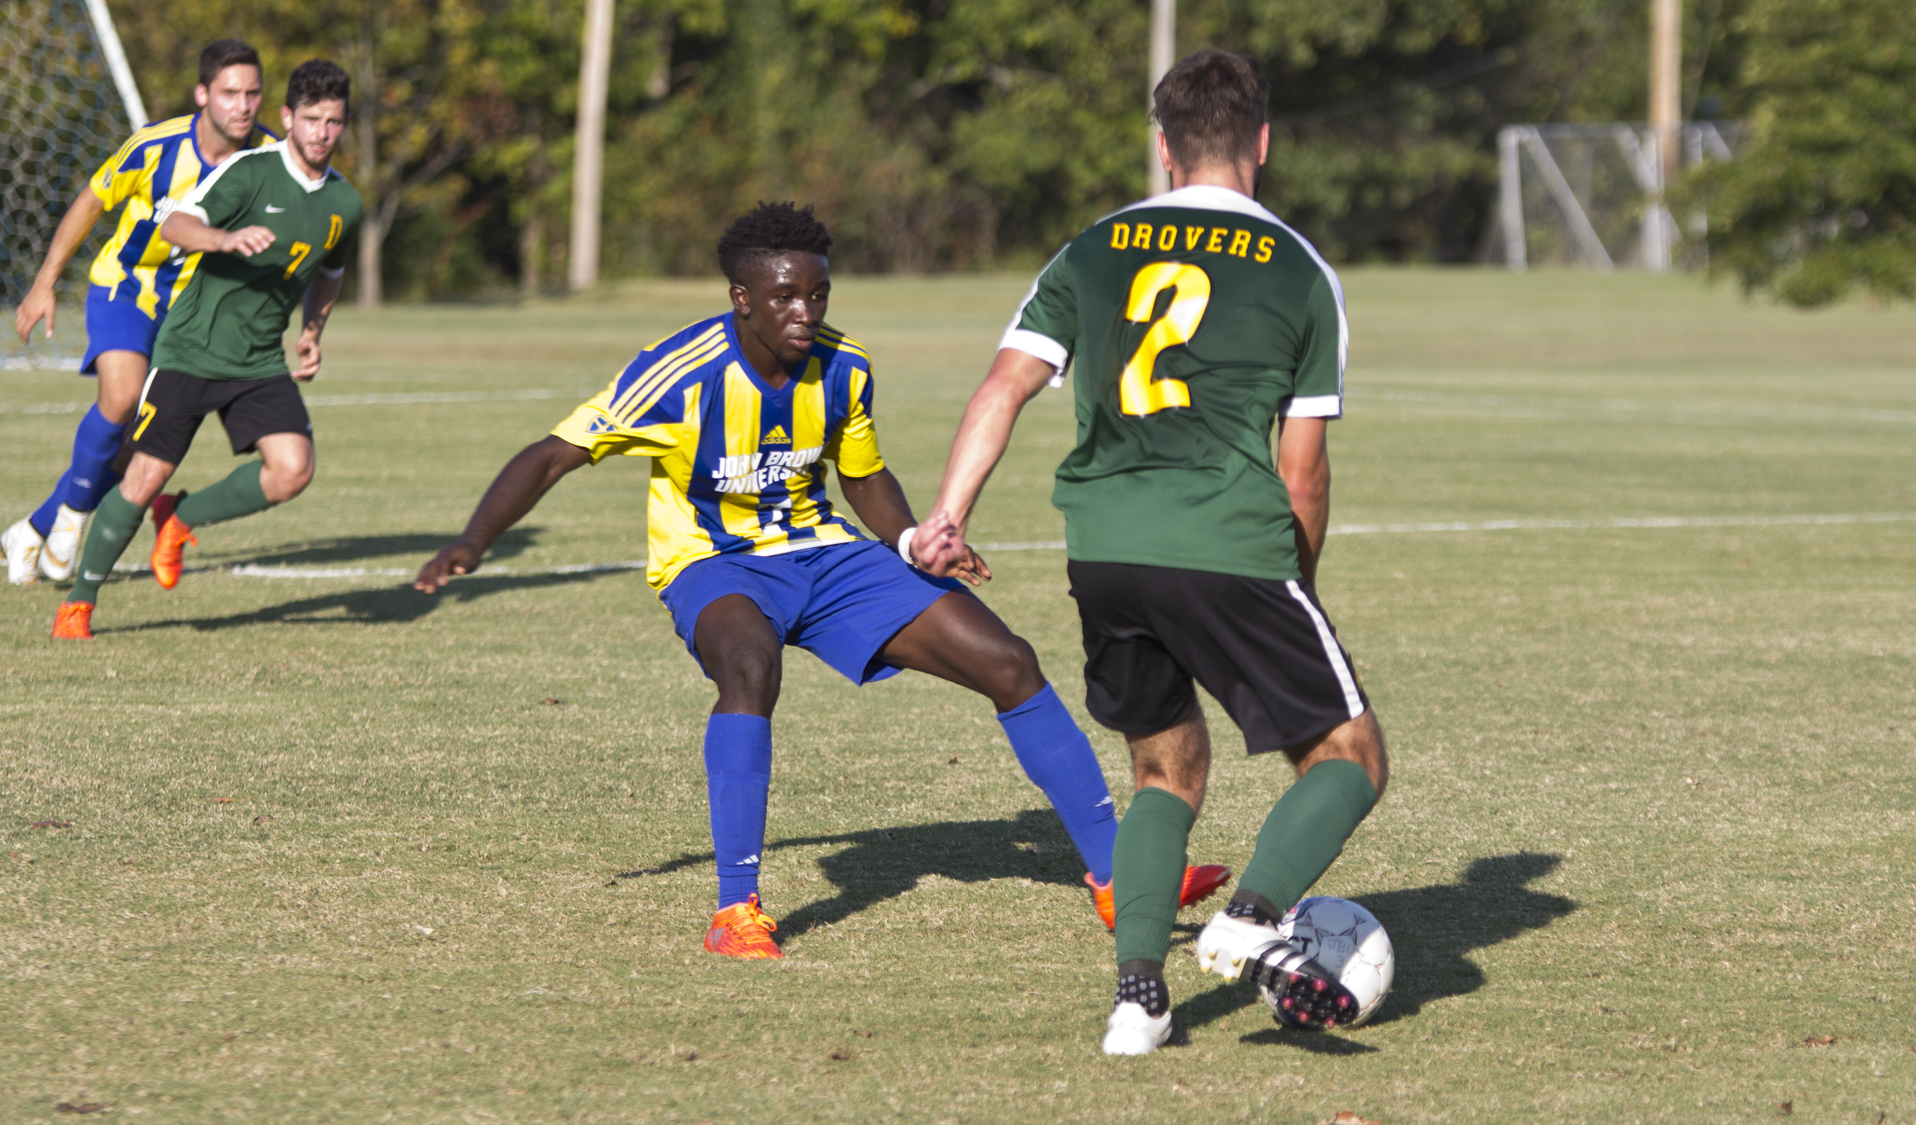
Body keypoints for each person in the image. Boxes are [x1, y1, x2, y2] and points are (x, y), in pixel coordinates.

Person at [414, 202, 1228, 960]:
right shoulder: (679, 372)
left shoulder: (844, 366)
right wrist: (473, 540)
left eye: (818, 292)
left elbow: (863, 476)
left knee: (1008, 659)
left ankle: (1119, 879)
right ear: (742, 297)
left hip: (827, 556)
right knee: (748, 668)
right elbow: (555, 451)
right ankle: (738, 911)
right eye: (787, 296)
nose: (807, 310)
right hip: (714, 563)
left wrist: (913, 539)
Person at [912, 49, 1390, 1055]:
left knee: (1162, 772)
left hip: (1104, 550)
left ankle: (1138, 999)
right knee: (1348, 755)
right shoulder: (1302, 270)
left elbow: (999, 390)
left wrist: (943, 517)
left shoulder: (1089, 248)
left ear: (1164, 148)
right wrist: (1292, 581)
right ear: (1260, 141)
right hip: (1226, 543)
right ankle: (1253, 918)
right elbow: (1301, 472)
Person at [51, 60, 362, 640]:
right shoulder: (249, 172)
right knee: (140, 481)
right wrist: (224, 238)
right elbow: (176, 226)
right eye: (312, 119)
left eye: (334, 122)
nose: (322, 132)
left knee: (292, 470)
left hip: (259, 360)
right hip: (191, 349)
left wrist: (313, 330)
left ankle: (181, 517)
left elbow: (331, 271)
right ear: (289, 118)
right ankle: (79, 602)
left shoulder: (345, 203)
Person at [5, 39, 279, 587]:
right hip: (125, 290)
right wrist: (44, 281)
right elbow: (91, 200)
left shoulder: (270, 159)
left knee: (140, 446)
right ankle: (70, 522)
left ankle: (30, 530)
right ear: (203, 94)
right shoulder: (155, 146)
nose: (242, 105)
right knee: (123, 396)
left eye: (252, 93)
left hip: (195, 318)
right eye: (229, 93)